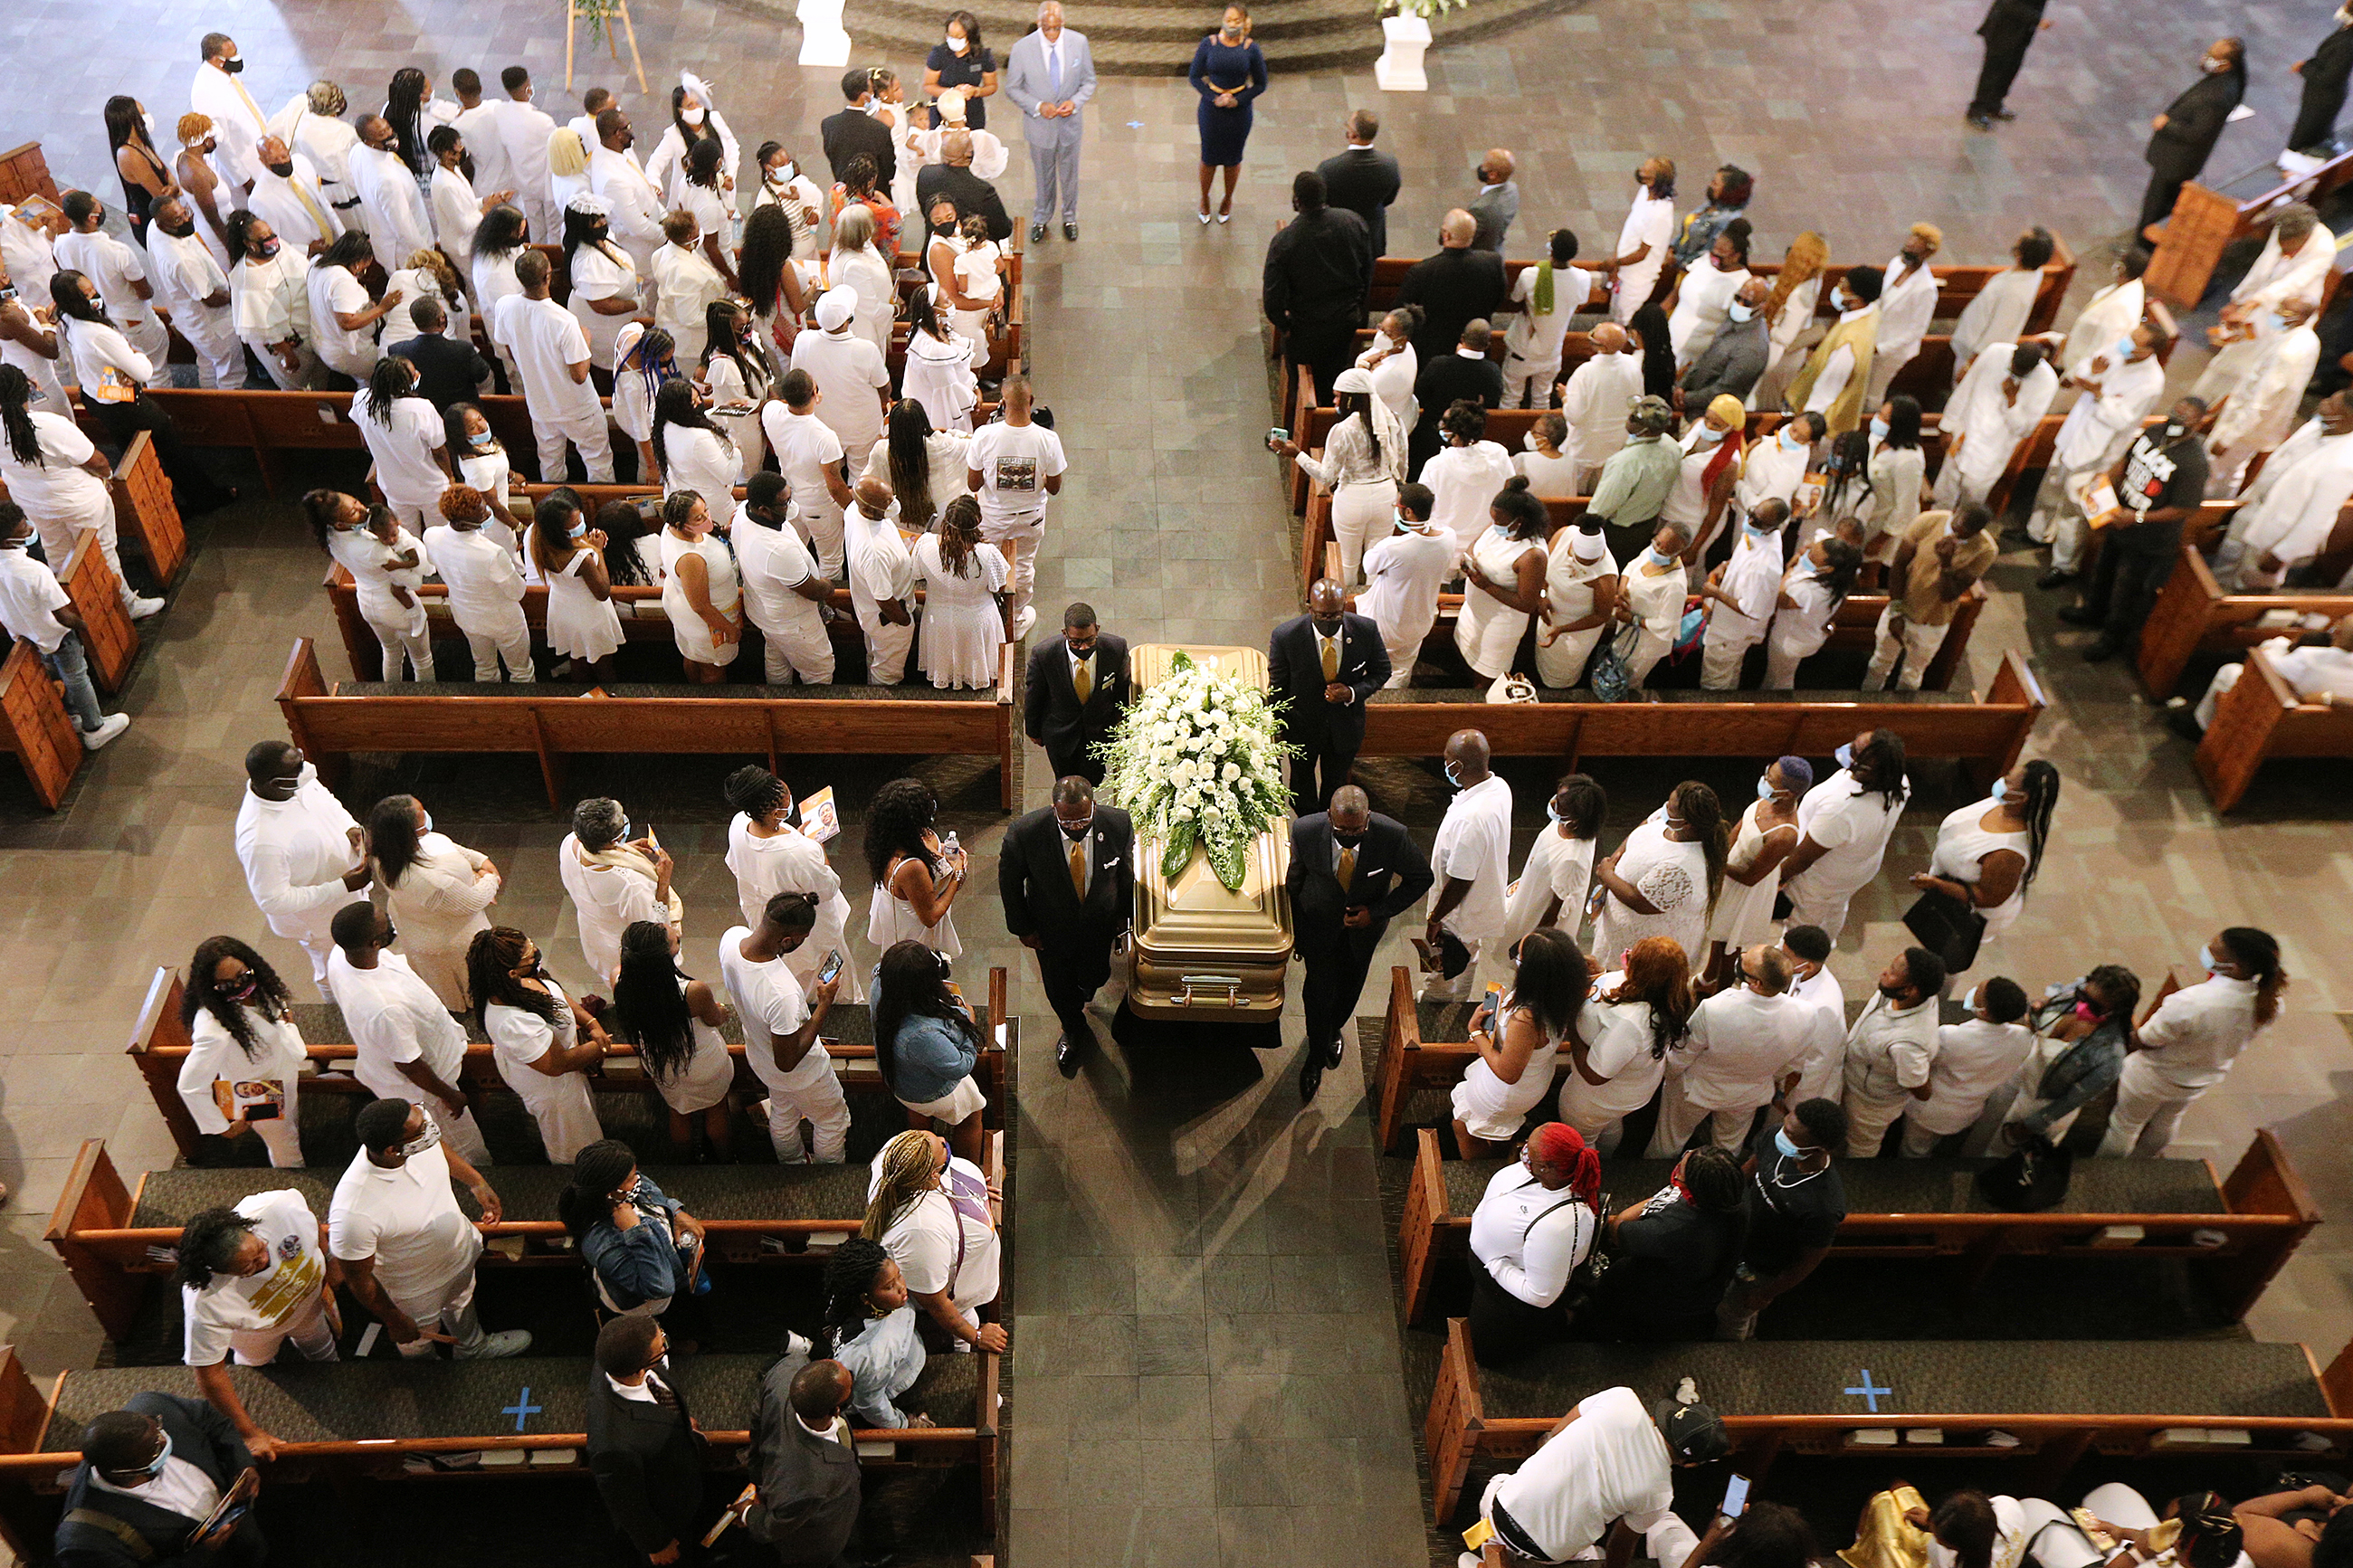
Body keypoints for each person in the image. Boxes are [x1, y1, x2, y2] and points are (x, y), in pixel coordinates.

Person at [329, 1097, 529, 1359]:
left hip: (458, 1254)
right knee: (418, 1339)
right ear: (392, 1150)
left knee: (462, 1304)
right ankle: (427, 1373)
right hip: (415, 1288)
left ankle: (473, 1348)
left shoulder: (417, 1128)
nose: (430, 1127)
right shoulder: (353, 1211)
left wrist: (476, 1181)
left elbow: (438, 1147)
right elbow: (358, 1278)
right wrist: (394, 1319)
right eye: (422, 1130)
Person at [1286, 784, 1434, 1098]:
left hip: (1362, 934)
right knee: (1317, 994)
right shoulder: (1305, 830)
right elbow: (1295, 881)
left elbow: (1421, 878)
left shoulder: (1391, 835)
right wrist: (1296, 932)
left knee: (1350, 989)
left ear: (1368, 818)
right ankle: (1314, 1058)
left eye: (1357, 830)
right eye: (1341, 829)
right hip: (1319, 928)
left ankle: (1332, 1028)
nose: (1349, 836)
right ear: (1329, 817)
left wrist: (1378, 912)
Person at [176, 1194, 338, 1459]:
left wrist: (329, 1258)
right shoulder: (204, 1301)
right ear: (218, 1271)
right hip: (256, 1333)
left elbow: (310, 1223)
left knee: (320, 1343)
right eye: (248, 1266)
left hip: (308, 1303)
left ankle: (335, 1373)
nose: (263, 1261)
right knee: (258, 1364)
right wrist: (248, 1433)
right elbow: (209, 1373)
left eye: (261, 1249)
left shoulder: (278, 1207)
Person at [2102, 927, 2284, 1157]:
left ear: (2234, 966)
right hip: (2200, 1078)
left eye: (2214, 950)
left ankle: (2106, 1168)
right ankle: (2142, 1161)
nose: (2207, 950)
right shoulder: (2272, 1003)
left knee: (2126, 1125)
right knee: (2168, 1120)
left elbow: (2148, 1039)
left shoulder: (2193, 1001)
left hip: (2155, 1075)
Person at [2056, 397, 2211, 662]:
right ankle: (2093, 612)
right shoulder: (2156, 431)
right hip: (2121, 518)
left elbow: (2185, 508)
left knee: (2127, 591)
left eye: (2185, 417)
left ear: (2199, 423)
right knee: (2103, 570)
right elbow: (2127, 460)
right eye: (2175, 411)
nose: (2176, 419)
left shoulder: (2194, 463)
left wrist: (2138, 517)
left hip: (2149, 538)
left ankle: (2112, 639)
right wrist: (2106, 484)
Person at [999, 776, 1134, 1076]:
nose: (1076, 827)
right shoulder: (1026, 833)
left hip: (1100, 926)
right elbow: (1009, 883)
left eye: (1083, 819)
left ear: (1094, 806)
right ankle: (1073, 1029)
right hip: (1051, 930)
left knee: (1097, 974)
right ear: (1054, 808)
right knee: (1060, 989)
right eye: (1067, 821)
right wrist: (1024, 929)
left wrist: (1124, 919)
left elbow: (1125, 875)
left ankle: (1086, 986)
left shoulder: (1118, 823)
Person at [0, 420, 160, 671]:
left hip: (35, 503)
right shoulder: (46, 424)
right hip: (77, 501)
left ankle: (77, 611)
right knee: (102, 552)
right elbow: (96, 460)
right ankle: (126, 604)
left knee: (58, 557)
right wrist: (107, 477)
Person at [55, 1395, 265, 1568]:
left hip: (247, 1535)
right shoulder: (83, 1541)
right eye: (156, 1448)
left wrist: (241, 1463)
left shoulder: (152, 1407)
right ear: (124, 1470)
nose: (164, 1439)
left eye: (159, 1428)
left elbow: (211, 1419)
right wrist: (202, 1555)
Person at [2033, 321, 2167, 585]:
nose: (2127, 343)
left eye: (2135, 342)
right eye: (2130, 336)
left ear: (2149, 351)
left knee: (2074, 507)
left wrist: (2099, 394)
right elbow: (2084, 369)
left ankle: (2064, 565)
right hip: (2075, 430)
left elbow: (2123, 420)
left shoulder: (2151, 382)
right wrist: (2092, 375)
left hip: (2097, 449)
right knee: (2051, 484)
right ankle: (2037, 533)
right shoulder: (2119, 349)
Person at [722, 892, 851, 1164]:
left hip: (760, 1058)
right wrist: (824, 1003)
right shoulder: (781, 994)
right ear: (787, 940)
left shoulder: (731, 938)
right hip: (804, 1075)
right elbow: (787, 1061)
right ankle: (827, 1175)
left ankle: (792, 1164)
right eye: (802, 939)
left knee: (783, 1112)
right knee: (831, 1121)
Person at [1650, 945, 1814, 1157]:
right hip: (1748, 1095)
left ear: (1755, 983)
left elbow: (1683, 1053)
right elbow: (1792, 1065)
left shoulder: (1715, 1008)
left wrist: (1668, 1077)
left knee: (1669, 1141)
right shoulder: (1806, 1014)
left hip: (1697, 1091)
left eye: (1744, 961)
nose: (1741, 956)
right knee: (1728, 1148)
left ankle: (1654, 1178)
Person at [235, 739, 368, 998]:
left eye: (301, 757)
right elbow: (273, 900)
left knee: (360, 943)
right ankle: (338, 1001)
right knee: (334, 964)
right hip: (318, 918)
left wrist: (349, 826)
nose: (307, 767)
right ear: (275, 783)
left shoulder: (295, 780)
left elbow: (328, 801)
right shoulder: (260, 838)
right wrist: (341, 886)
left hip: (349, 889)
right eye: (298, 765)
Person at [1466, 1120, 1601, 1365]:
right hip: (1489, 1274)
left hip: (1509, 1296)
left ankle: (1569, 1319)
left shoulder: (1558, 1226)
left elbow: (1540, 1294)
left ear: (1547, 1168)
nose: (1523, 1151)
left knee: (1486, 1354)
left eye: (1530, 1151)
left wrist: (1495, 1265)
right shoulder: (1533, 1173)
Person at [471, 926, 608, 1163]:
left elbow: (556, 995)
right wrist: (601, 1046)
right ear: (512, 973)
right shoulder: (512, 1021)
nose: (535, 952)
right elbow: (557, 1064)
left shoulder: (518, 980)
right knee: (575, 1145)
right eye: (529, 953)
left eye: (531, 944)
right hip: (553, 1088)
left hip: (567, 1068)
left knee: (585, 1119)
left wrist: (592, 1023)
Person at [862, 1128, 1007, 1351]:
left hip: (967, 1262)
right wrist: (976, 1336)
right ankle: (961, 1355)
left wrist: (975, 1193)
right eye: (945, 1151)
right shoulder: (919, 1232)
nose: (942, 1139)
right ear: (931, 1176)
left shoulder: (902, 1153)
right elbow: (936, 1301)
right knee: (966, 1325)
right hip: (958, 1293)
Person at [1716, 1096, 1849, 1338]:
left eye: (1790, 1133)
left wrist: (1768, 1292)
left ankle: (1731, 1354)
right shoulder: (1776, 1138)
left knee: (1733, 1313)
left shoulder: (1823, 1206)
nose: (1781, 1133)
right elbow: (1752, 1166)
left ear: (1817, 1149)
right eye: (1786, 1124)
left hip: (1763, 1266)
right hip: (1740, 1241)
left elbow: (1810, 1259)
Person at [1450, 927, 1588, 1155]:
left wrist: (1475, 1032)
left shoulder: (1526, 1018)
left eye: (1519, 958)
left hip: (1506, 1089)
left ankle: (1477, 1174)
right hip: (1535, 1074)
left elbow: (1508, 1072)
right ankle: (1502, 1152)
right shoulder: (1565, 990)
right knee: (1495, 1131)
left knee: (1463, 1126)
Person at [1909, 759, 2059, 969]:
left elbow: (1986, 897)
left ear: (2022, 798)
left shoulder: (2008, 853)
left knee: (1943, 960)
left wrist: (1939, 885)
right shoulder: (2004, 803)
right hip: (1944, 886)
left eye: (2008, 783)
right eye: (2007, 777)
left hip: (1964, 913)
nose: (2001, 783)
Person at [585, 1316, 708, 1568]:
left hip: (682, 1477)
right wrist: (657, 1544)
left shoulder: (618, 1361)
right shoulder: (612, 1446)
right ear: (639, 1364)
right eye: (661, 1342)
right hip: (666, 1511)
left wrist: (677, 1423)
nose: (664, 1340)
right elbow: (626, 1503)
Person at [611, 920, 739, 1160]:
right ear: (667, 955)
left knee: (678, 1110)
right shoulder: (693, 990)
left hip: (661, 1062)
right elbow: (714, 1019)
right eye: (674, 940)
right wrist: (721, 1009)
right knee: (717, 1109)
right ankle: (726, 1160)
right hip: (703, 1063)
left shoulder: (619, 981)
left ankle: (685, 1162)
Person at [1591, 1145, 1748, 1340]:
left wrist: (1653, 1201)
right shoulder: (1737, 1200)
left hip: (1656, 1302)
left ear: (1691, 1192)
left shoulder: (1671, 1229)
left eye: (1680, 1175)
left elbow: (1619, 1231)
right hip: (1704, 1293)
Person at [177, 938, 309, 1168]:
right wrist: (223, 1128)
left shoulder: (260, 987)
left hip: (282, 1073)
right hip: (260, 1093)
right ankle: (296, 1187)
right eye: (228, 984)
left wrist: (284, 1018)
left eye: (243, 976)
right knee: (285, 1147)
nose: (240, 985)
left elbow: (276, 1014)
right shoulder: (213, 1029)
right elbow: (189, 1085)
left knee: (291, 1124)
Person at [366, 794, 499, 1011]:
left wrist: (480, 860)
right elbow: (473, 901)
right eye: (420, 815)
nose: (426, 816)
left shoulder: (387, 852)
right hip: (447, 935)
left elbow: (447, 845)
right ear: (407, 833)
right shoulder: (430, 882)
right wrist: (489, 878)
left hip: (416, 920)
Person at [493, 248, 615, 482]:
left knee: (550, 463)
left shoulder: (505, 306)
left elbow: (509, 349)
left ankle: (555, 510)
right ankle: (601, 511)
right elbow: (579, 375)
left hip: (541, 404)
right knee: (598, 462)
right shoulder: (565, 321)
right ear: (548, 277)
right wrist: (585, 342)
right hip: (577, 407)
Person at [1270, 577, 1390, 814]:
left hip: (1345, 727)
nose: (1329, 622)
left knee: (1336, 784)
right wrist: (1276, 726)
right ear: (1310, 608)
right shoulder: (1286, 637)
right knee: (1301, 783)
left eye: (1335, 615)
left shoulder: (1366, 630)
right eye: (1322, 616)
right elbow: (1278, 686)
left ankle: (1330, 822)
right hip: (1302, 726)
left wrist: (1352, 692)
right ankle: (1306, 822)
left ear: (1344, 607)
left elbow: (1382, 671)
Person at [1556, 937, 1687, 1149]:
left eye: (1631, 956)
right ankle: (1609, 1161)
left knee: (1582, 1139)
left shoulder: (1630, 1023)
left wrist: (1573, 1023)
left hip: (1597, 1098)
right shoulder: (1667, 994)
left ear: (1640, 972)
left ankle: (1590, 1171)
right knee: (1608, 1124)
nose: (1625, 956)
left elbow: (1594, 1076)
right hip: (1627, 1090)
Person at [2212, 396, 2353, 592]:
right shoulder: (2318, 425)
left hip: (2274, 535)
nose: (2323, 403)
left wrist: (2283, 554)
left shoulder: (2345, 464)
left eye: (2332, 404)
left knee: (2248, 585)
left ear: (2348, 419)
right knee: (2221, 569)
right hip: (2254, 509)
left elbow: (2317, 518)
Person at [1781, 728, 1910, 938]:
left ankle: (1798, 960)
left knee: (1804, 923)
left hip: (1821, 880)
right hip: (1857, 868)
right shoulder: (1898, 782)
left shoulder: (1841, 808)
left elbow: (1803, 858)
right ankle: (1828, 940)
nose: (1847, 747)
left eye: (1854, 749)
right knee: (1836, 907)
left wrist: (1778, 878)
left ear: (1868, 768)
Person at [1592, 781, 1726, 983]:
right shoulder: (1670, 818)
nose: (1664, 808)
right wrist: (1617, 856)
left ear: (1687, 823)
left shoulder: (1684, 867)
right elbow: (1643, 828)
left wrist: (1607, 874)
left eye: (1670, 807)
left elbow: (1641, 902)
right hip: (1615, 934)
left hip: (1644, 945)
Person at [966, 375, 1066, 635]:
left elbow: (974, 484)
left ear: (1002, 402)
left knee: (985, 561)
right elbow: (1054, 488)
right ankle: (1017, 619)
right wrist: (1036, 479)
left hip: (993, 517)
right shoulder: (1048, 439)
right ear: (1031, 402)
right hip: (1030, 518)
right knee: (1022, 567)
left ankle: (982, 614)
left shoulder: (984, 435)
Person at [1262, 170, 1372, 406]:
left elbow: (1272, 298)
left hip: (1305, 328)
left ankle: (1300, 422)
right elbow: (1367, 270)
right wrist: (1359, 306)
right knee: (1336, 367)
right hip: (1345, 320)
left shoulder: (1285, 241)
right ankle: (1332, 411)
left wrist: (1284, 326)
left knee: (1301, 381)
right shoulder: (1353, 222)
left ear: (1297, 201)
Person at [2002, 965, 2140, 1146]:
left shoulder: (2109, 1057)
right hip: (2016, 1077)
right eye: (2083, 996)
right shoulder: (2078, 992)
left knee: (2000, 1149)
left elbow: (2071, 1101)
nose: (2083, 1006)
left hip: (2039, 1102)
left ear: (2114, 1011)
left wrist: (2028, 1127)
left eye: (2095, 1007)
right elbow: (2052, 998)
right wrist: (2040, 1007)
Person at [1423, 728, 1512, 1003]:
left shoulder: (1471, 819)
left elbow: (1461, 880)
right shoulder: (1499, 786)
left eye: (1446, 759)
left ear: (1457, 766)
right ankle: (1459, 994)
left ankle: (1435, 1002)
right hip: (1483, 901)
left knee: (1446, 963)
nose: (1445, 763)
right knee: (1468, 957)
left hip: (1460, 913)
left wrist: (1436, 918)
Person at [1868, 503, 1998, 689]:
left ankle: (1899, 714)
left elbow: (1949, 595)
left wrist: (1946, 565)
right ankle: (1869, 699)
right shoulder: (1926, 522)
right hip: (1903, 607)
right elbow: (1898, 567)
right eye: (1958, 527)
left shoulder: (1985, 550)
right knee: (1880, 663)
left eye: (1967, 534)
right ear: (1954, 512)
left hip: (1934, 620)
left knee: (1913, 674)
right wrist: (1896, 611)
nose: (1959, 535)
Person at [1900, 976, 2034, 1156]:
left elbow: (1922, 1062)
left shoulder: (1951, 1036)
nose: (1974, 990)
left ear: (1985, 1012)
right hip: (1968, 1112)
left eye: (1978, 990)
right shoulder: (2023, 1038)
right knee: (1936, 1140)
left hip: (1930, 1109)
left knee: (1914, 1147)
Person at [2204, 298, 2321, 494]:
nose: (2277, 313)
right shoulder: (2308, 338)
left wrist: (2228, 437)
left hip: (2245, 425)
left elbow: (2260, 399)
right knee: (2232, 470)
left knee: (2212, 469)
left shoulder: (2288, 351)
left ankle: (2200, 514)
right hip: (2261, 425)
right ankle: (2218, 509)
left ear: (2301, 317)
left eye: (2284, 311)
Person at [1705, 757, 1808, 979]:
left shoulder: (1785, 834)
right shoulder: (1767, 798)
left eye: (1771, 780)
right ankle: (1708, 975)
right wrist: (1722, 853)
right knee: (1717, 934)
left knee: (1730, 944)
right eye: (1767, 775)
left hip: (1745, 889)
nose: (1764, 781)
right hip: (1728, 868)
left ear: (1788, 793)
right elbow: (1741, 826)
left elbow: (1750, 878)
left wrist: (1718, 864)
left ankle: (1719, 989)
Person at [1840, 946, 1948, 1156]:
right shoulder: (1908, 995)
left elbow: (1920, 1089)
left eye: (1891, 972)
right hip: (1854, 1079)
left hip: (1870, 1104)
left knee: (1862, 1145)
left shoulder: (1908, 1044)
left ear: (1910, 989)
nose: (1883, 972)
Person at [559, 797, 681, 983]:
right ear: (615, 837)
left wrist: (623, 850)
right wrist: (663, 884)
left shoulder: (570, 843)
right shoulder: (631, 885)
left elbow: (598, 856)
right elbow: (654, 930)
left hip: (597, 939)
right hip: (630, 953)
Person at [729, 475, 834, 688]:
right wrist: (829, 585)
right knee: (820, 670)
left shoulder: (743, 512)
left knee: (777, 658)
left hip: (765, 611)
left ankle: (776, 697)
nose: (790, 505)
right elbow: (813, 591)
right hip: (794, 622)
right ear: (763, 510)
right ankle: (812, 715)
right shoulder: (776, 549)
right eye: (785, 503)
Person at [1005, 1, 1096, 242]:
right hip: (1040, 128)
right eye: (1047, 28)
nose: (1052, 34)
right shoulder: (1022, 48)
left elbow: (1089, 81)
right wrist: (1037, 106)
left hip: (1069, 126)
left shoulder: (1079, 43)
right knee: (1043, 176)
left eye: (1057, 28)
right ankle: (1041, 218)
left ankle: (1069, 217)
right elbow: (1012, 88)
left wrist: (1075, 102)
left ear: (1063, 24)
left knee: (1070, 175)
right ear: (1039, 24)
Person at [54, 188, 168, 382]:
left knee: (122, 372)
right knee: (155, 370)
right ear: (92, 217)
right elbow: (144, 292)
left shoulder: (60, 244)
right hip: (130, 318)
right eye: (97, 206)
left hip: (97, 317)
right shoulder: (117, 251)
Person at [2139, 40, 2248, 242]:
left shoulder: (2218, 96)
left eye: (2213, 57)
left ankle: (2143, 246)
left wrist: (2167, 125)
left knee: (2155, 207)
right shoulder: (2224, 80)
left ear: (2227, 64)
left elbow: (2198, 133)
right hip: (2178, 160)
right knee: (2160, 204)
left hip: (2176, 161)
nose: (2206, 59)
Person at [424, 484, 533, 682]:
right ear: (466, 523)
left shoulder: (430, 536)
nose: (486, 512)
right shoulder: (491, 553)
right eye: (481, 512)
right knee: (521, 671)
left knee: (483, 667)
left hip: (467, 616)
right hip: (503, 620)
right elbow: (518, 592)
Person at [2178, 614, 2353, 737]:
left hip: (2280, 717)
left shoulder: (2310, 656)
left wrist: (2273, 648)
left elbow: (2263, 668)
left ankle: (2201, 727)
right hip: (2320, 729)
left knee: (2231, 671)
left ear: (2336, 632)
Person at [1937, 343, 2059, 512]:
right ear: (2013, 355)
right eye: (2015, 366)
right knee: (1943, 495)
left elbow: (2024, 430)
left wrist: (2011, 401)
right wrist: (1947, 426)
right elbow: (1966, 387)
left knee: (1970, 506)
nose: (2017, 371)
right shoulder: (1995, 352)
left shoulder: (2047, 382)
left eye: (2023, 370)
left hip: (1990, 453)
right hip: (1963, 436)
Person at [794, 288, 891, 493]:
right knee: (863, 477)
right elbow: (884, 386)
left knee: (828, 478)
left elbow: (798, 378)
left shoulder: (803, 341)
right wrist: (885, 403)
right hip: (862, 427)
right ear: (849, 319)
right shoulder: (866, 349)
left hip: (823, 423)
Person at [763, 368, 856, 577]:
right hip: (819, 505)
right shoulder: (824, 437)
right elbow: (835, 484)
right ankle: (832, 607)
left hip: (789, 498)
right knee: (830, 560)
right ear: (815, 394)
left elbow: (770, 402)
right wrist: (852, 511)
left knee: (796, 552)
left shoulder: (771, 412)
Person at [1024, 602, 1130, 784]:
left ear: (1097, 629)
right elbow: (1034, 696)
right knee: (1065, 781)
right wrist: (1033, 731)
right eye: (1075, 642)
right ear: (1065, 634)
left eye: (1089, 640)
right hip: (1060, 733)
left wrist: (1118, 719)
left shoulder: (1116, 649)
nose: (1083, 648)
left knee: (1095, 779)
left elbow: (1122, 688)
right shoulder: (1044, 655)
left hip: (1099, 731)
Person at [1361, 483, 1456, 686]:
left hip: (1387, 622)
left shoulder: (1394, 546)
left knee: (1374, 668)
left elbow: (1368, 566)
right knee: (1402, 670)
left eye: (1397, 505)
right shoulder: (1449, 537)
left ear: (1408, 511)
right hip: (1420, 619)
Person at [1456, 474, 1548, 682]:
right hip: (1474, 613)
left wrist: (1486, 586)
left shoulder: (1533, 555)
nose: (1494, 524)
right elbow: (1478, 543)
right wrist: (1469, 559)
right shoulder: (1499, 527)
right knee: (1465, 661)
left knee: (1486, 676)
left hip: (1499, 625)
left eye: (1499, 521)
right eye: (1493, 519)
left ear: (1519, 521)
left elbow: (1527, 603)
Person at [913, 495, 1011, 689]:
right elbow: (998, 586)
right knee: (981, 670)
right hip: (977, 621)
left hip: (939, 620)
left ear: (945, 521)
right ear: (977, 522)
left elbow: (917, 573)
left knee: (946, 669)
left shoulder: (925, 544)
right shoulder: (987, 553)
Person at [147, 195, 243, 390]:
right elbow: (210, 298)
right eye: (177, 220)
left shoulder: (153, 229)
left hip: (187, 318)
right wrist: (239, 295)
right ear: (162, 225)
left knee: (208, 363)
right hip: (213, 324)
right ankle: (235, 410)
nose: (186, 220)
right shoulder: (182, 260)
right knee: (231, 371)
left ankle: (208, 398)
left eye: (184, 213)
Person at [867, 776, 968, 957]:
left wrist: (947, 850)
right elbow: (930, 916)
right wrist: (957, 876)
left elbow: (931, 847)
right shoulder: (911, 867)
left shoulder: (893, 836)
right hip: (913, 931)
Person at [529, 489, 624, 680]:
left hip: (563, 607)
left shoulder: (539, 539)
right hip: (587, 613)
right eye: (575, 523)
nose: (580, 523)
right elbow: (602, 591)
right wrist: (597, 551)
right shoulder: (582, 559)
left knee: (576, 656)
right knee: (603, 663)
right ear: (560, 531)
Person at [1393, 209, 1508, 367]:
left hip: (1432, 350)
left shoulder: (1423, 271)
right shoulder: (1493, 263)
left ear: (1446, 235)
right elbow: (1498, 299)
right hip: (1475, 346)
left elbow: (1401, 311)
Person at [1695, 496, 1788, 689]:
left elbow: (1750, 609)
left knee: (1715, 681)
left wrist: (1715, 593)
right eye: (1752, 514)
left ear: (1773, 525)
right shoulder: (1762, 533)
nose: (1751, 521)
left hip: (1731, 633)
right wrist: (1725, 565)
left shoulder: (1763, 566)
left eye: (1759, 521)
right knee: (1730, 673)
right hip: (1727, 625)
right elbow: (1744, 554)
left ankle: (1714, 714)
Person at [1502, 774, 1605, 949]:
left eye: (1560, 805)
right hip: (1527, 894)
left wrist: (1532, 941)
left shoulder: (1572, 858)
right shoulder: (1564, 823)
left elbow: (1554, 911)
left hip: (1536, 918)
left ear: (1576, 817)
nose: (1553, 805)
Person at [1784, 264, 1883, 436]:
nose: (1838, 290)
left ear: (1857, 299)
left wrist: (1801, 428)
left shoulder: (1849, 345)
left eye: (1844, 288)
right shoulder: (1871, 311)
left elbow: (1825, 393)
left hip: (1822, 426)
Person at [656, 487, 742, 681]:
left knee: (692, 654)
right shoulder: (691, 559)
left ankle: (693, 689)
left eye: (706, 511)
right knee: (712, 666)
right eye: (699, 518)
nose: (707, 518)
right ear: (680, 524)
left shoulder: (670, 528)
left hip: (680, 599)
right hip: (706, 621)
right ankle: (710, 704)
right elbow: (701, 605)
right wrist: (729, 629)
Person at [1763, 531, 1863, 688]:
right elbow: (1840, 605)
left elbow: (1780, 599)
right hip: (1808, 635)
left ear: (1828, 568)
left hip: (1789, 642)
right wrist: (1829, 623)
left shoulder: (1808, 591)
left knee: (1781, 678)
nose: (1807, 556)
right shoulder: (1840, 581)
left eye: (1812, 556)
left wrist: (1790, 569)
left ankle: (1775, 705)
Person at [1419, 394, 1517, 556]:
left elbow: (1423, 507)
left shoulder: (1435, 465)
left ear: (1453, 432)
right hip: (1486, 547)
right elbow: (1509, 492)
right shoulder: (1499, 454)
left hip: (1445, 547)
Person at [1586, 396, 1681, 560]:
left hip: (1620, 532)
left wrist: (1585, 528)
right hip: (1648, 523)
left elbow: (1603, 505)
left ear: (1646, 429)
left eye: (1635, 418)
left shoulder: (1626, 462)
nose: (1629, 420)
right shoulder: (1672, 446)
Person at [845, 473, 917, 683]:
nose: (893, 504)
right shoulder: (873, 551)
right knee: (888, 671)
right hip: (888, 620)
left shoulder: (854, 510)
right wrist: (904, 621)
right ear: (867, 509)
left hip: (869, 609)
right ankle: (881, 708)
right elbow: (885, 601)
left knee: (875, 655)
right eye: (887, 503)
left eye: (892, 497)